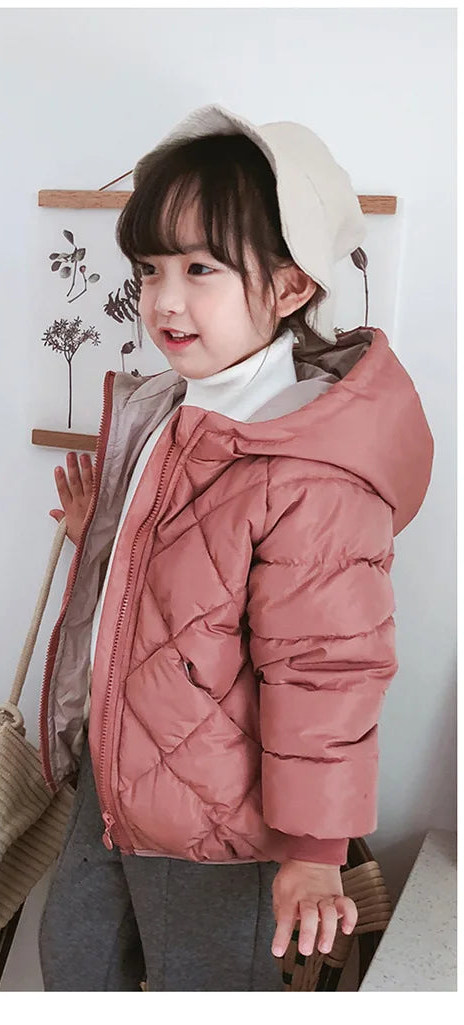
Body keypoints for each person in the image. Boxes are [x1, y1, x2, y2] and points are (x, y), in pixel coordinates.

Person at [37, 102, 433, 991]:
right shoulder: (173, 408)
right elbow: (184, 585)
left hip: (219, 820)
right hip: (115, 776)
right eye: (150, 268)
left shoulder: (312, 467)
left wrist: (315, 849)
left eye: (200, 268)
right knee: (74, 965)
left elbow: (327, 666)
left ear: (290, 287)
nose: (164, 299)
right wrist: (102, 537)